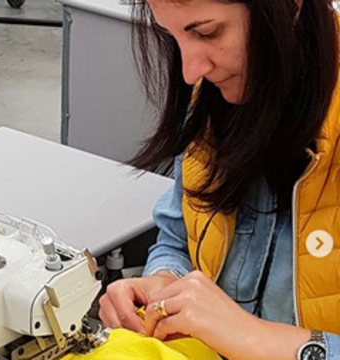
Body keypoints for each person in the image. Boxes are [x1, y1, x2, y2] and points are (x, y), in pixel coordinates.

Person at [98, 0, 340, 359]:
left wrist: (264, 339)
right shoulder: (213, 102)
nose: (190, 71)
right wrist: (164, 283)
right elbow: (179, 238)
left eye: (208, 32)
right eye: (173, 35)